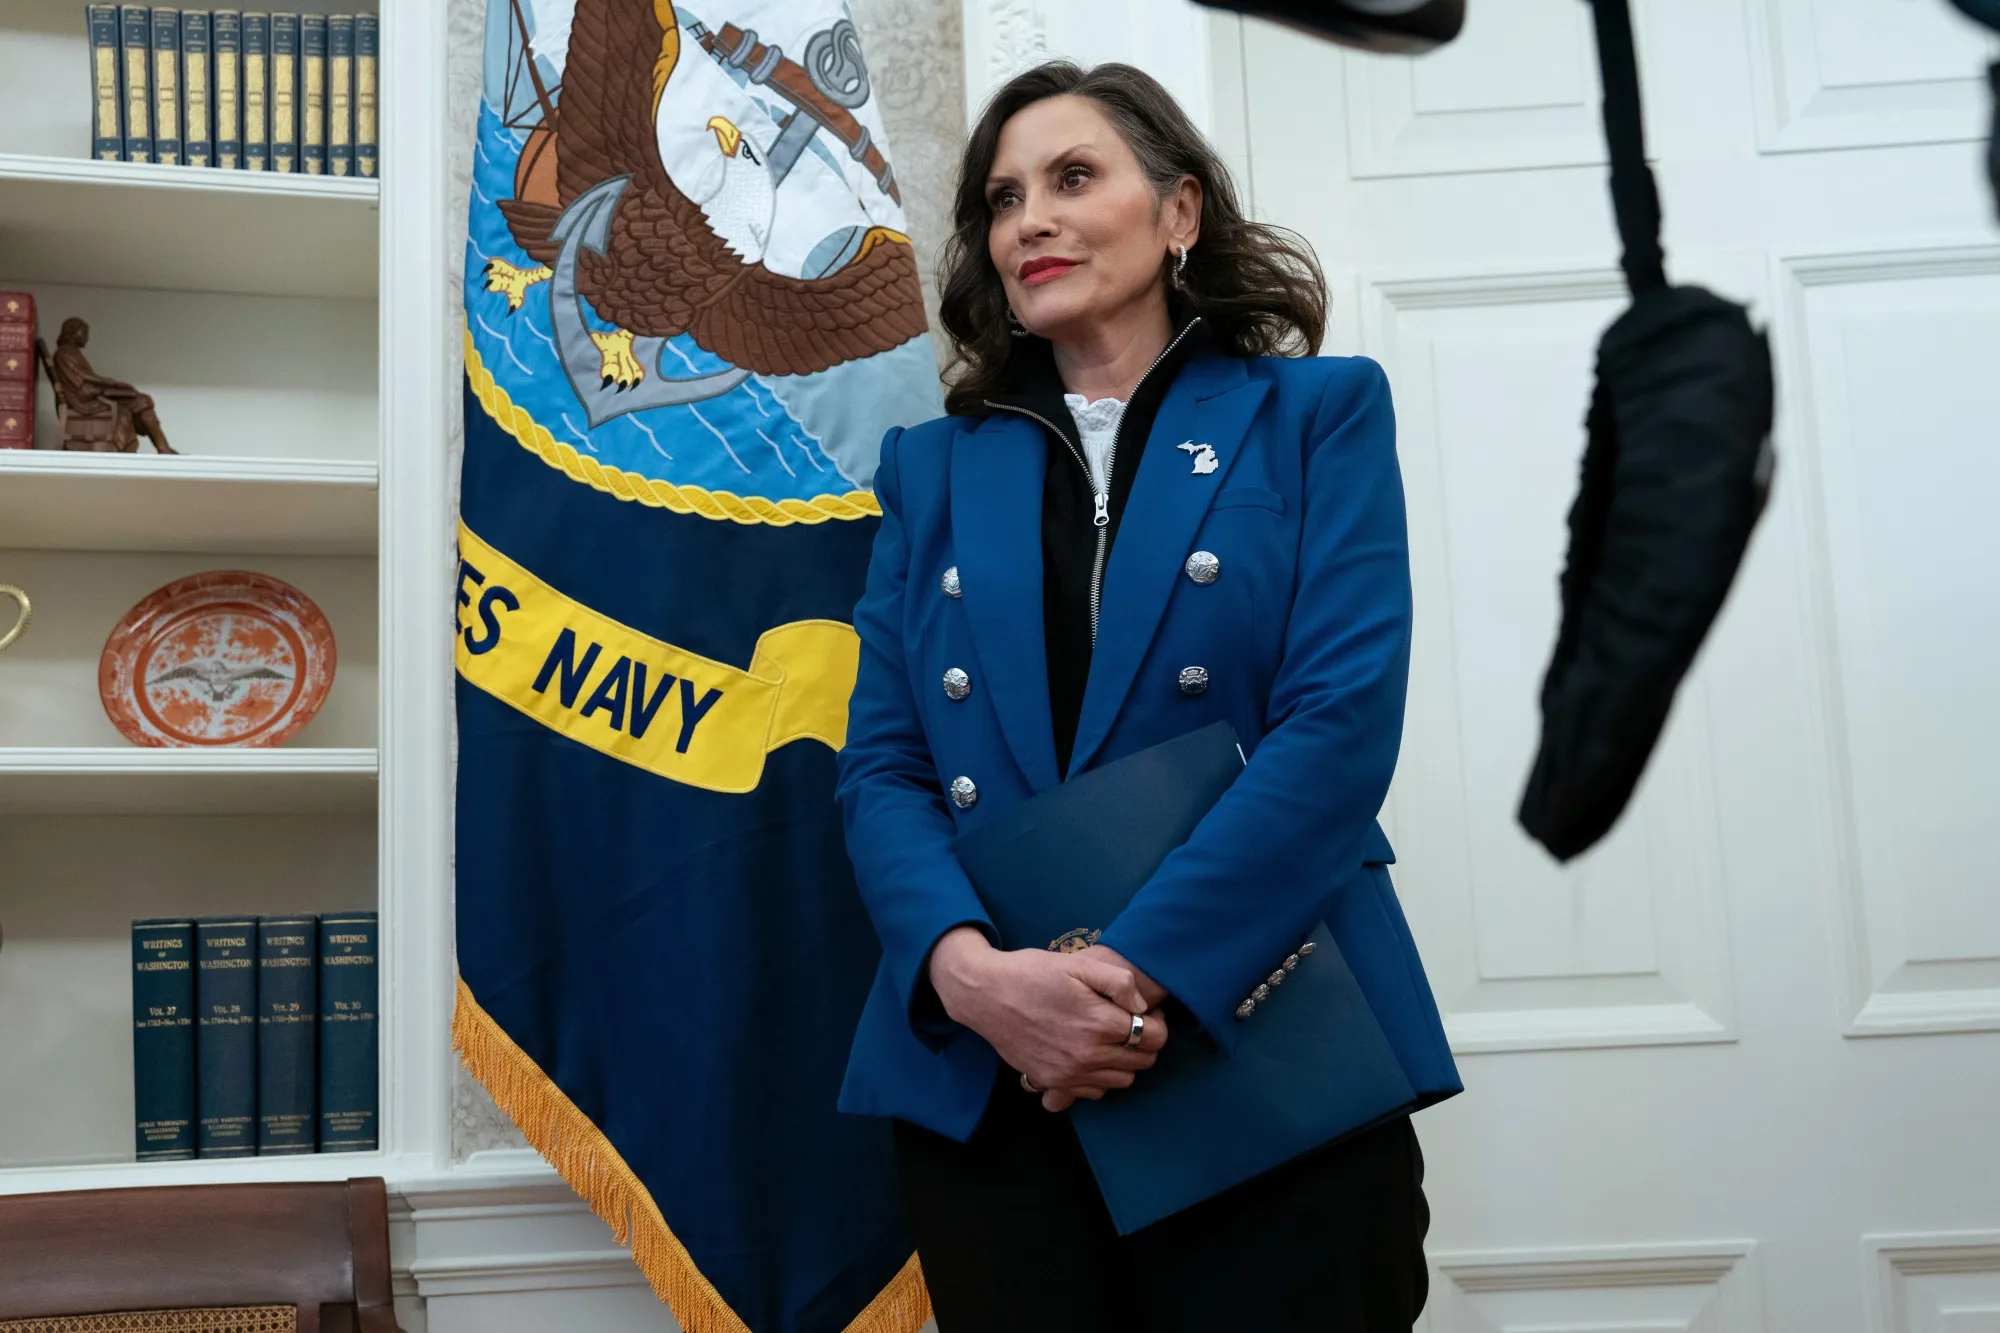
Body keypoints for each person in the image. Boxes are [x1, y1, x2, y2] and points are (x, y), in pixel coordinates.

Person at [835, 60, 1461, 1332]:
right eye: (1003, 199)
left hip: (1261, 1033)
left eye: (1073, 178)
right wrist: (971, 978)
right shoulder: (930, 470)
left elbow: (1337, 729)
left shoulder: (1316, 414)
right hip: (996, 1078)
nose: (1030, 221)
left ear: (1178, 212)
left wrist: (1128, 976)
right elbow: (883, 769)